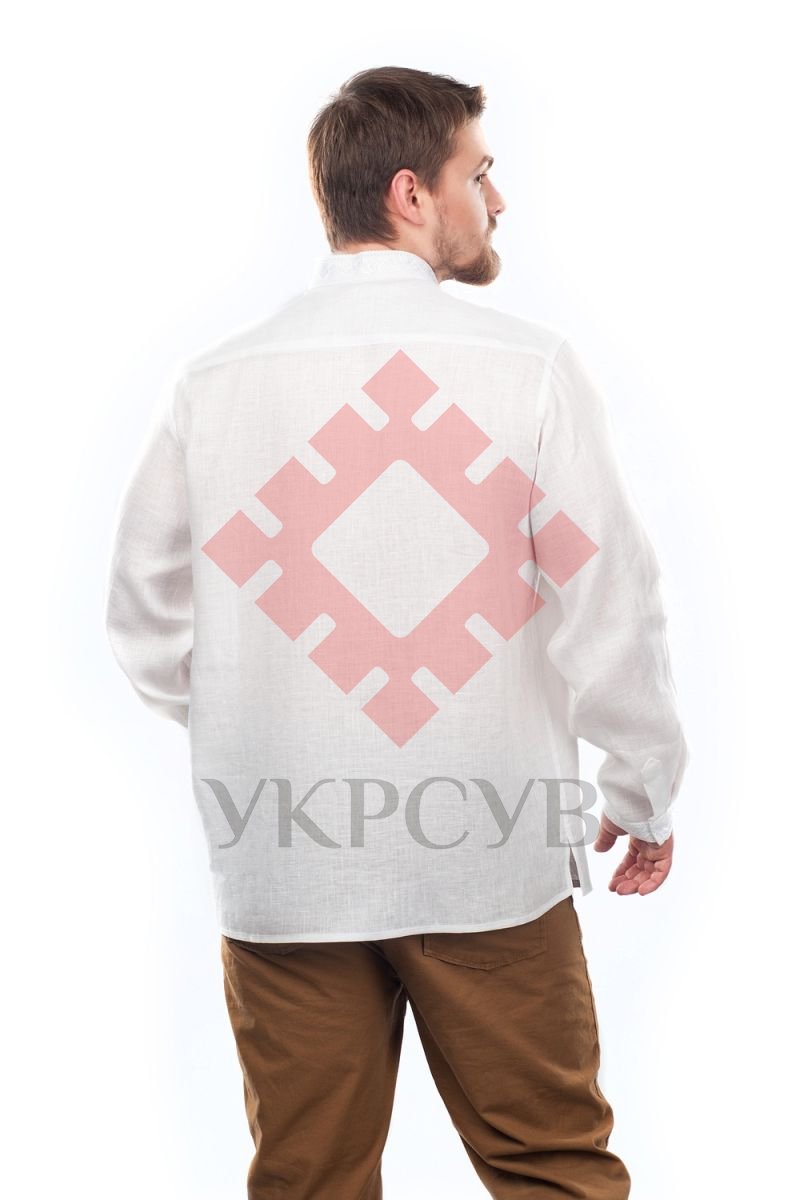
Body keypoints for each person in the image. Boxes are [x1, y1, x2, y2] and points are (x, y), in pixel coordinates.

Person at [104, 65, 689, 1200]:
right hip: (490, 858)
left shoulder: (216, 383)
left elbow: (140, 617)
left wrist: (261, 717)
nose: (498, 200)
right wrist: (643, 787)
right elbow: (611, 601)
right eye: (481, 172)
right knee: (552, 1169)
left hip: (282, 859)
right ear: (412, 193)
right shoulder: (524, 368)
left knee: (308, 1181)